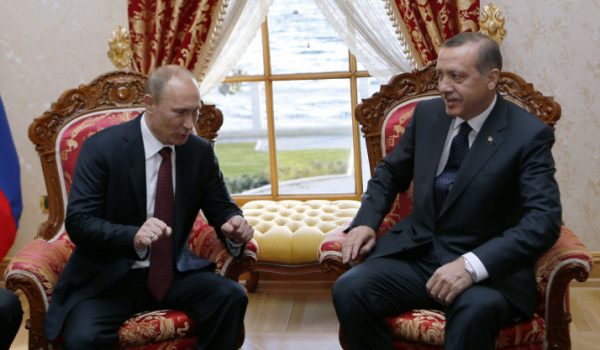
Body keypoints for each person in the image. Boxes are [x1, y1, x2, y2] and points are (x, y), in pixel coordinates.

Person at [332, 32, 561, 349]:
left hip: (487, 270)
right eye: (440, 75)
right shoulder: (427, 116)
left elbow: (543, 220)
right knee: (349, 289)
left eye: (457, 77)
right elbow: (389, 173)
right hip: (418, 254)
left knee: (474, 313)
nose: (443, 87)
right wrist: (366, 222)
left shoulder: (527, 135)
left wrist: (471, 266)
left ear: (491, 78)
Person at [44, 65, 254, 349]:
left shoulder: (199, 152)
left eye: (195, 111)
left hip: (172, 272)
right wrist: (132, 236)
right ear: (149, 104)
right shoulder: (103, 149)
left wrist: (234, 225)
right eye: (179, 112)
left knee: (230, 297)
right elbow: (80, 222)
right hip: (108, 280)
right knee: (84, 338)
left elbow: (222, 208)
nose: (189, 123)